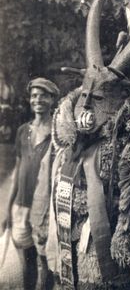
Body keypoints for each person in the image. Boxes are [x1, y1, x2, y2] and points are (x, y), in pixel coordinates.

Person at [46, 0, 130, 290]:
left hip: (106, 246)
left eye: (97, 100)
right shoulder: (68, 139)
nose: (86, 109)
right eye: (85, 97)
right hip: (70, 241)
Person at [2, 77, 59, 290]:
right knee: (26, 263)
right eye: (34, 95)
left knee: (47, 263)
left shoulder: (58, 133)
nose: (38, 100)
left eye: (44, 95)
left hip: (45, 210)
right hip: (22, 207)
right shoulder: (22, 131)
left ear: (53, 99)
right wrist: (8, 208)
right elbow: (17, 171)